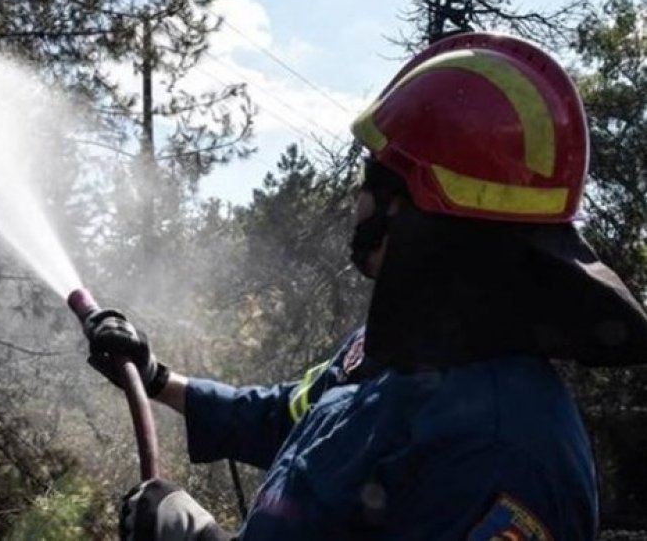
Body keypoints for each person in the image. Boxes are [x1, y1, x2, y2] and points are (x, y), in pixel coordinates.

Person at [84, 32, 647, 541]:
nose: (357, 201)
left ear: (416, 212)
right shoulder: (395, 351)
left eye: (372, 179)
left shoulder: (503, 452)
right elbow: (292, 415)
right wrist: (158, 379)